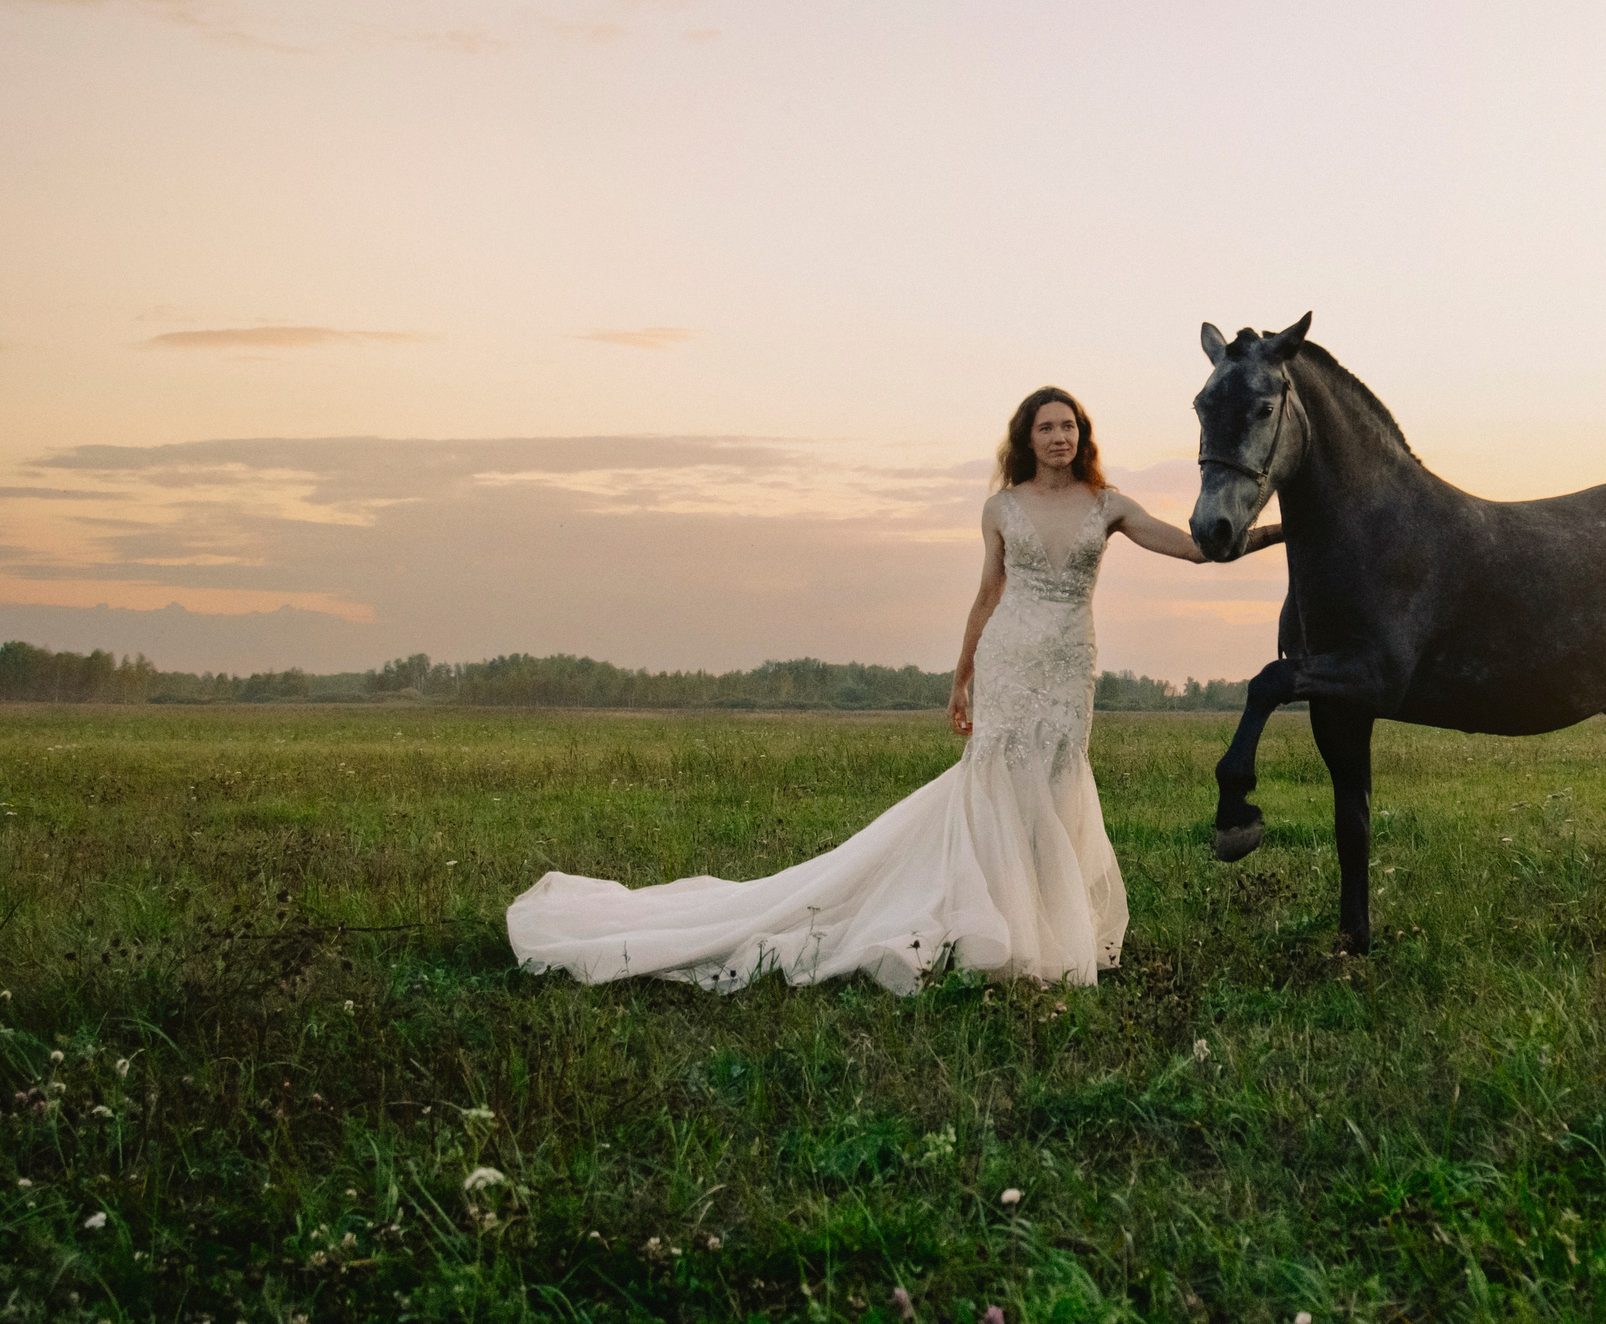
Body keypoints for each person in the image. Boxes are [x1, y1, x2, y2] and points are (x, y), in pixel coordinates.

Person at [506, 386, 1281, 994]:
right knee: (998, 784)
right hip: (1010, 660)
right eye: (1046, 427)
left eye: (1069, 426)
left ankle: (1046, 930)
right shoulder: (1001, 507)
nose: (1059, 437)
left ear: (1083, 436)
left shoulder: (1108, 504)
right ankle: (999, 932)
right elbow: (987, 593)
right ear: (1026, 438)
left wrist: (1281, 532)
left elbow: (1194, 548)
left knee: (1056, 782)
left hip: (1070, 668)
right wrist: (962, 676)